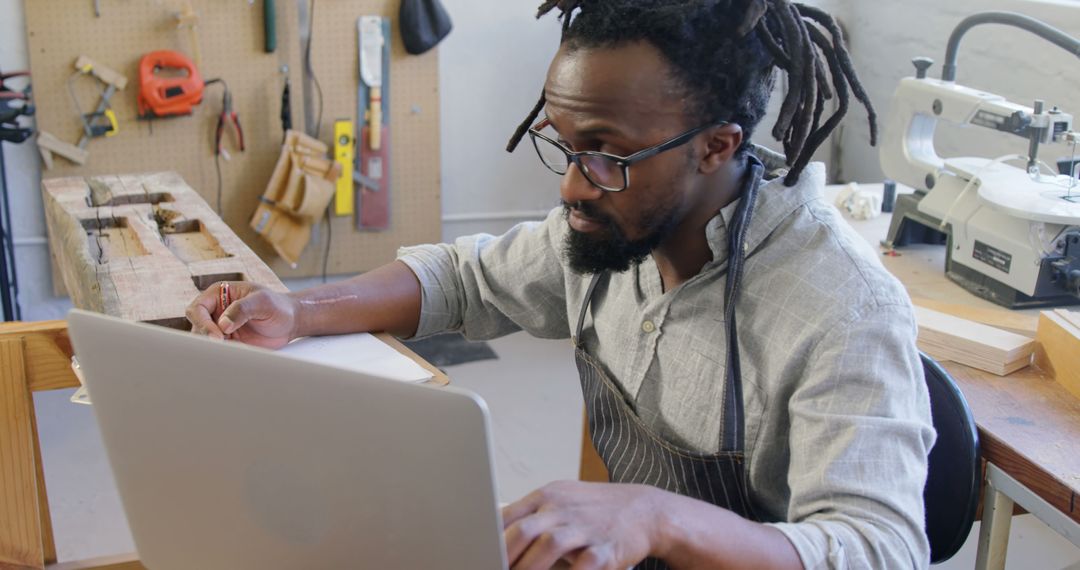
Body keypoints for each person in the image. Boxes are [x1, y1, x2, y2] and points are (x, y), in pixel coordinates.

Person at [187, 1, 935, 568]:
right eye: (565, 146)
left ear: (718, 146)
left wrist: (654, 515)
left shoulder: (842, 310)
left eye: (608, 154)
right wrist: (300, 309)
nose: (575, 187)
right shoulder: (613, 228)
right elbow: (465, 279)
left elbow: (881, 548)